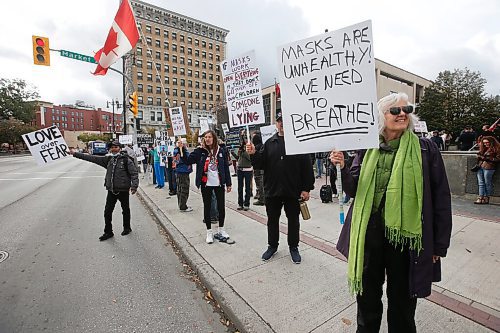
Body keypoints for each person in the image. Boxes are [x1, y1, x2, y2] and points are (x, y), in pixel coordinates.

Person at [330, 92, 452, 332]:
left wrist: (438, 245)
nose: (402, 114)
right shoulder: (367, 147)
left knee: (403, 304)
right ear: (381, 116)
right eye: (395, 111)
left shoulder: (425, 148)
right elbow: (354, 188)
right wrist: (343, 167)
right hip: (369, 236)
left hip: (405, 240)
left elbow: (441, 198)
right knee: (367, 300)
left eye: (407, 109)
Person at [247, 111, 314, 264]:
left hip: (293, 190)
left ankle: (293, 247)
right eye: (279, 120)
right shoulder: (269, 143)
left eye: (284, 120)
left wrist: (306, 189)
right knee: (272, 220)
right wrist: (253, 154)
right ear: (276, 123)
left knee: (293, 221)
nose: (282, 123)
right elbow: (259, 164)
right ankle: (272, 246)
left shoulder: (298, 142)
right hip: (273, 190)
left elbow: (307, 167)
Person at [72, 141, 139, 241]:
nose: (114, 149)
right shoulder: (108, 159)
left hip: (123, 190)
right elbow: (92, 158)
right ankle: (108, 232)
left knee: (125, 210)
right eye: (112, 147)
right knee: (107, 212)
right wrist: (75, 154)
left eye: (116, 147)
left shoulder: (126, 160)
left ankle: (127, 228)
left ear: (120, 148)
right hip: (111, 190)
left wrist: (134, 186)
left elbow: (134, 173)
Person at [181, 130, 232, 243]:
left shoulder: (221, 151)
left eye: (209, 137)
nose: (207, 139)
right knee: (207, 207)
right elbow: (188, 161)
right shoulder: (200, 151)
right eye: (205, 137)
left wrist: (228, 183)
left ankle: (221, 229)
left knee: (221, 207)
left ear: (214, 138)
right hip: (206, 184)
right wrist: (182, 149)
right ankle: (209, 232)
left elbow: (225, 169)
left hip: (219, 184)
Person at [474, 136, 500, 204]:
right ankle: (480, 197)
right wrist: (479, 156)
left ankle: (486, 197)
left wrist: (488, 159)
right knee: (481, 183)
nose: (486, 144)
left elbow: (498, 159)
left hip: (489, 167)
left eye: (487, 142)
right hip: (480, 166)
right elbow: (480, 156)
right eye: (484, 143)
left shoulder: (496, 148)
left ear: (491, 142)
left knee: (487, 183)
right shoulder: (483, 148)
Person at [232, 138, 253, 210]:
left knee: (247, 187)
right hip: (240, 170)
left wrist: (245, 152)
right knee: (240, 187)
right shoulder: (241, 150)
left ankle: (246, 203)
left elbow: (250, 158)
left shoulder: (250, 149)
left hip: (247, 170)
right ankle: (240, 203)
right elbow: (239, 158)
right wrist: (233, 154)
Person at [174, 138, 193, 211]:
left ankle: (181, 204)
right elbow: (184, 159)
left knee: (180, 188)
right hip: (183, 171)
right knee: (184, 188)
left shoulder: (178, 151)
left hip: (181, 171)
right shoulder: (180, 151)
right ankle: (183, 206)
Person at [251, 131, 265, 206]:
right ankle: (263, 198)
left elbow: (254, 159)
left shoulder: (256, 148)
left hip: (257, 168)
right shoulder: (263, 146)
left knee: (259, 185)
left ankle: (261, 199)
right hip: (262, 168)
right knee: (262, 184)